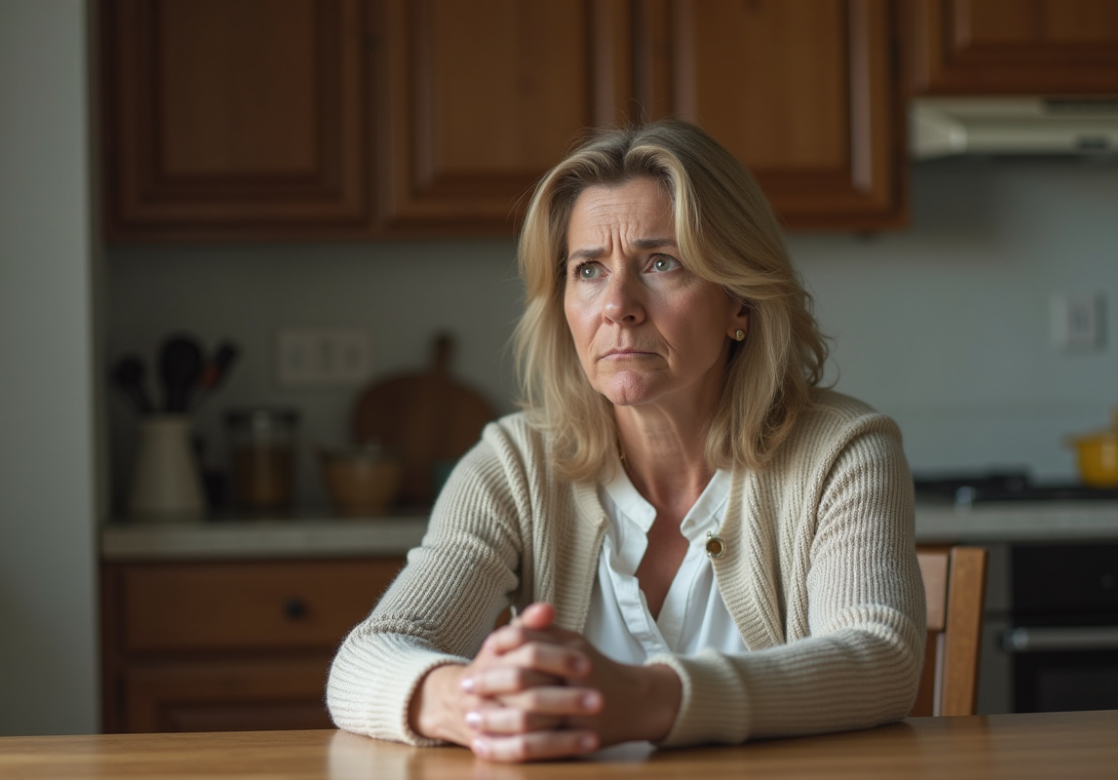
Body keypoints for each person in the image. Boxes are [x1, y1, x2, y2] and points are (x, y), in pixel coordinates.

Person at [326, 119, 926, 763]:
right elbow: (366, 658)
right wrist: (474, 700)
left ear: (739, 301)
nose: (617, 305)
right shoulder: (514, 463)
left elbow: (880, 659)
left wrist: (641, 700)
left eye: (661, 263)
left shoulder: (842, 451)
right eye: (588, 269)